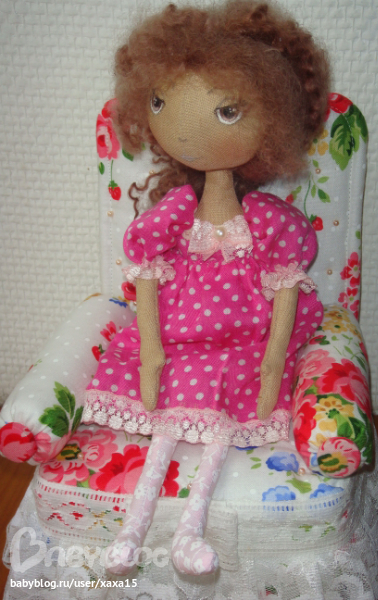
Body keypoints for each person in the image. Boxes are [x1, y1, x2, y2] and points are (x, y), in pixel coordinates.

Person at [83, 0, 330, 576]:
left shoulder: (268, 222)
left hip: (242, 349)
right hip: (175, 345)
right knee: (164, 436)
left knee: (218, 436)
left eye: (225, 112)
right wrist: (150, 352)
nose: (186, 133)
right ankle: (130, 532)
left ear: (275, 127)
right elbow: (147, 277)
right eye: (160, 104)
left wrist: (274, 360)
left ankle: (190, 533)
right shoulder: (172, 213)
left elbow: (286, 289)